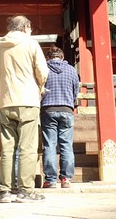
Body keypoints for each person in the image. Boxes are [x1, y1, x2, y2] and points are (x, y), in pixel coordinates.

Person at [0, 15, 49, 203]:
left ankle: (4, 191)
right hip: (27, 99)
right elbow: (42, 71)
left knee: (7, 148)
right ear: (26, 27)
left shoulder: (0, 46)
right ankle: (26, 191)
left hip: (6, 99)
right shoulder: (31, 43)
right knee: (27, 147)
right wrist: (40, 87)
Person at [40, 45, 80, 188]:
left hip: (48, 109)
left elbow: (39, 89)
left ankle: (50, 180)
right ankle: (66, 179)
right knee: (66, 144)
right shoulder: (71, 70)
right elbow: (76, 91)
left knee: (50, 145)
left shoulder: (43, 69)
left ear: (48, 57)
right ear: (62, 57)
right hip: (66, 109)